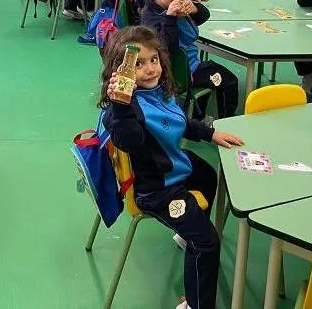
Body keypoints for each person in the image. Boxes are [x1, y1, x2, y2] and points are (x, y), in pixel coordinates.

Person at [100, 25, 243, 309]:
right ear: (120, 70)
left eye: (153, 59)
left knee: (207, 174)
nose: (150, 69)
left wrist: (210, 133)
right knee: (207, 243)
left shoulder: (159, 91)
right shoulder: (127, 109)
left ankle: (187, 234)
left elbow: (181, 122)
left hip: (174, 166)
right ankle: (195, 304)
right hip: (157, 190)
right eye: (138, 64)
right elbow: (128, 139)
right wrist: (121, 105)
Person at [141, 0, 239, 119]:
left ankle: (198, 115)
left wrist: (194, 9)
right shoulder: (150, 17)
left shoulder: (173, 4)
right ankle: (227, 119)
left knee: (212, 78)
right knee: (228, 80)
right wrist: (170, 18)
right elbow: (167, 47)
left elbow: (204, 16)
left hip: (191, 65)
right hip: (179, 73)